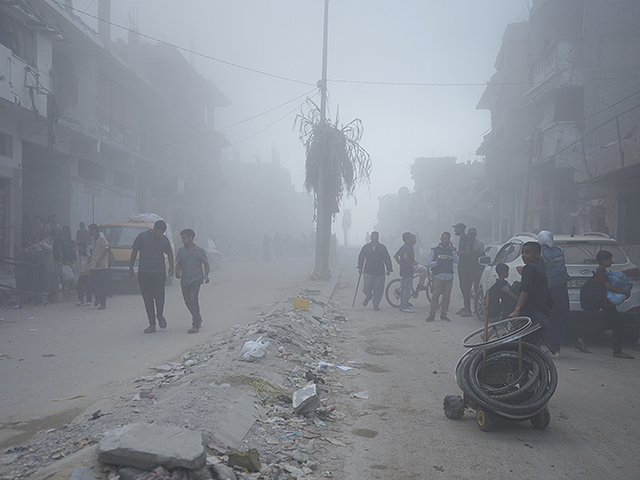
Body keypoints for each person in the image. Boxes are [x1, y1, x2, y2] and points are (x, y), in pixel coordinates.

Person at [576, 250, 634, 359]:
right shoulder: (601, 274)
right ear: (603, 261)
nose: (611, 262)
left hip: (606, 303)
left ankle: (584, 340)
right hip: (606, 303)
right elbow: (609, 287)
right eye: (609, 260)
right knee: (618, 326)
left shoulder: (602, 272)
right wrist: (624, 292)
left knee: (607, 324)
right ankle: (617, 351)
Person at [130, 220, 174, 333]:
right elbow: (134, 251)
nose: (160, 235)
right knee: (147, 298)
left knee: (160, 296)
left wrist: (171, 267)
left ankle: (160, 315)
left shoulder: (164, 239)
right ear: (154, 229)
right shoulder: (142, 237)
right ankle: (152, 324)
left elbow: (169, 252)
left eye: (162, 233)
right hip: (144, 272)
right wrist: (130, 267)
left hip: (159, 272)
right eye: (159, 232)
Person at [508, 242, 550, 345]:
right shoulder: (541, 270)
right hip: (541, 317)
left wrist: (516, 310)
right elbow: (548, 297)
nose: (524, 256)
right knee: (529, 348)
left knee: (514, 346)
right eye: (522, 253)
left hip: (530, 315)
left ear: (537, 254)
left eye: (527, 252)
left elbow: (525, 290)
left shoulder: (529, 268)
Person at [538, 231, 571, 354]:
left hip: (548, 290)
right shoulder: (559, 251)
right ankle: (556, 347)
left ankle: (542, 347)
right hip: (561, 289)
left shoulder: (540, 253)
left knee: (545, 317)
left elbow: (539, 273)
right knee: (560, 317)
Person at [175, 228, 210, 334]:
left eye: (184, 238)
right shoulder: (181, 251)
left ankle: (195, 325)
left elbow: (206, 263)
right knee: (187, 301)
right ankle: (197, 317)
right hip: (185, 279)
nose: (182, 240)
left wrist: (206, 275)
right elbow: (179, 263)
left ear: (191, 238)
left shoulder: (199, 251)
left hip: (196, 279)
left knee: (193, 299)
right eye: (182, 238)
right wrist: (177, 271)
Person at [426, 231, 459, 322]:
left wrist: (453, 251)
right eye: (444, 238)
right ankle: (432, 314)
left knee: (447, 297)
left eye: (448, 239)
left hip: (449, 276)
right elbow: (430, 263)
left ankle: (444, 314)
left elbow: (456, 260)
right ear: (441, 239)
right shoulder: (435, 250)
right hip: (439, 276)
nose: (446, 240)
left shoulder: (452, 250)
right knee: (435, 296)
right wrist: (437, 262)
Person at [357, 231, 393, 311]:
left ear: (378, 237)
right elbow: (361, 257)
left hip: (379, 272)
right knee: (366, 287)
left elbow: (387, 258)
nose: (374, 238)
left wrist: (389, 269)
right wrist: (360, 267)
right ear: (370, 237)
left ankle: (376, 305)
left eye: (376, 236)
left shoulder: (382, 247)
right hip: (368, 271)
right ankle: (369, 296)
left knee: (378, 290)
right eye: (373, 236)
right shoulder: (366, 247)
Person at [453, 223, 474, 317]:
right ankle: (465, 307)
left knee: (466, 288)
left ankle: (468, 309)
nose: (455, 231)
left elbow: (467, 252)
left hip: (468, 268)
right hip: (462, 266)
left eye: (456, 229)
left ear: (460, 229)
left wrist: (456, 253)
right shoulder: (461, 239)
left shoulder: (467, 239)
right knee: (462, 287)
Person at [88, 223, 109, 310]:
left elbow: (106, 249)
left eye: (90, 230)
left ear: (94, 230)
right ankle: (97, 296)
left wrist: (100, 260)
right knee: (91, 283)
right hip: (94, 265)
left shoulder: (102, 238)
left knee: (102, 285)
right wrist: (91, 257)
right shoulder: (94, 239)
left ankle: (103, 304)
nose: (89, 232)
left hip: (102, 266)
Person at [394, 232, 416, 313]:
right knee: (407, 289)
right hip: (407, 271)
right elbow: (405, 257)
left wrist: (401, 264)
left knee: (403, 288)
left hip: (403, 270)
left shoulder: (402, 247)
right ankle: (404, 306)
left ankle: (403, 304)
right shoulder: (408, 248)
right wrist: (410, 265)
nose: (412, 239)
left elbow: (395, 256)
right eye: (410, 237)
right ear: (407, 239)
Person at [468, 227, 485, 292]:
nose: (472, 235)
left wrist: (481, 269)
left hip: (477, 268)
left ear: (476, 234)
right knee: (467, 286)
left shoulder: (480, 244)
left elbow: (483, 257)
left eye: (473, 234)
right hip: (468, 268)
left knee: (476, 285)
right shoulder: (465, 244)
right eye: (470, 234)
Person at [75, 241, 92, 306]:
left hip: (86, 273)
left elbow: (90, 258)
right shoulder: (79, 253)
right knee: (78, 287)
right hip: (81, 273)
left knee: (88, 287)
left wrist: (88, 260)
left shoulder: (86, 253)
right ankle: (81, 299)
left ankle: (88, 300)